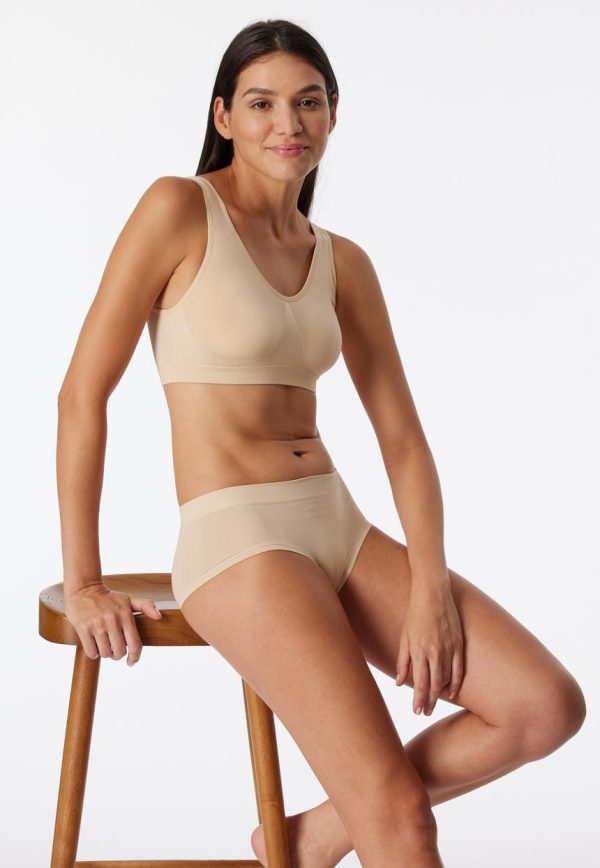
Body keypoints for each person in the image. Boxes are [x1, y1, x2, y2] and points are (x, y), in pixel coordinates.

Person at [56, 18, 586, 868]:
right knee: (402, 820)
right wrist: (84, 580)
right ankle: (362, 818)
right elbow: (82, 395)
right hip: (238, 538)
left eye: (308, 102)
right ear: (224, 116)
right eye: (261, 103)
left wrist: (430, 585)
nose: (287, 123)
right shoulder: (177, 210)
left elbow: (402, 440)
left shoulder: (344, 263)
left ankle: (308, 838)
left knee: (544, 707)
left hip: (335, 523)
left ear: (334, 113)